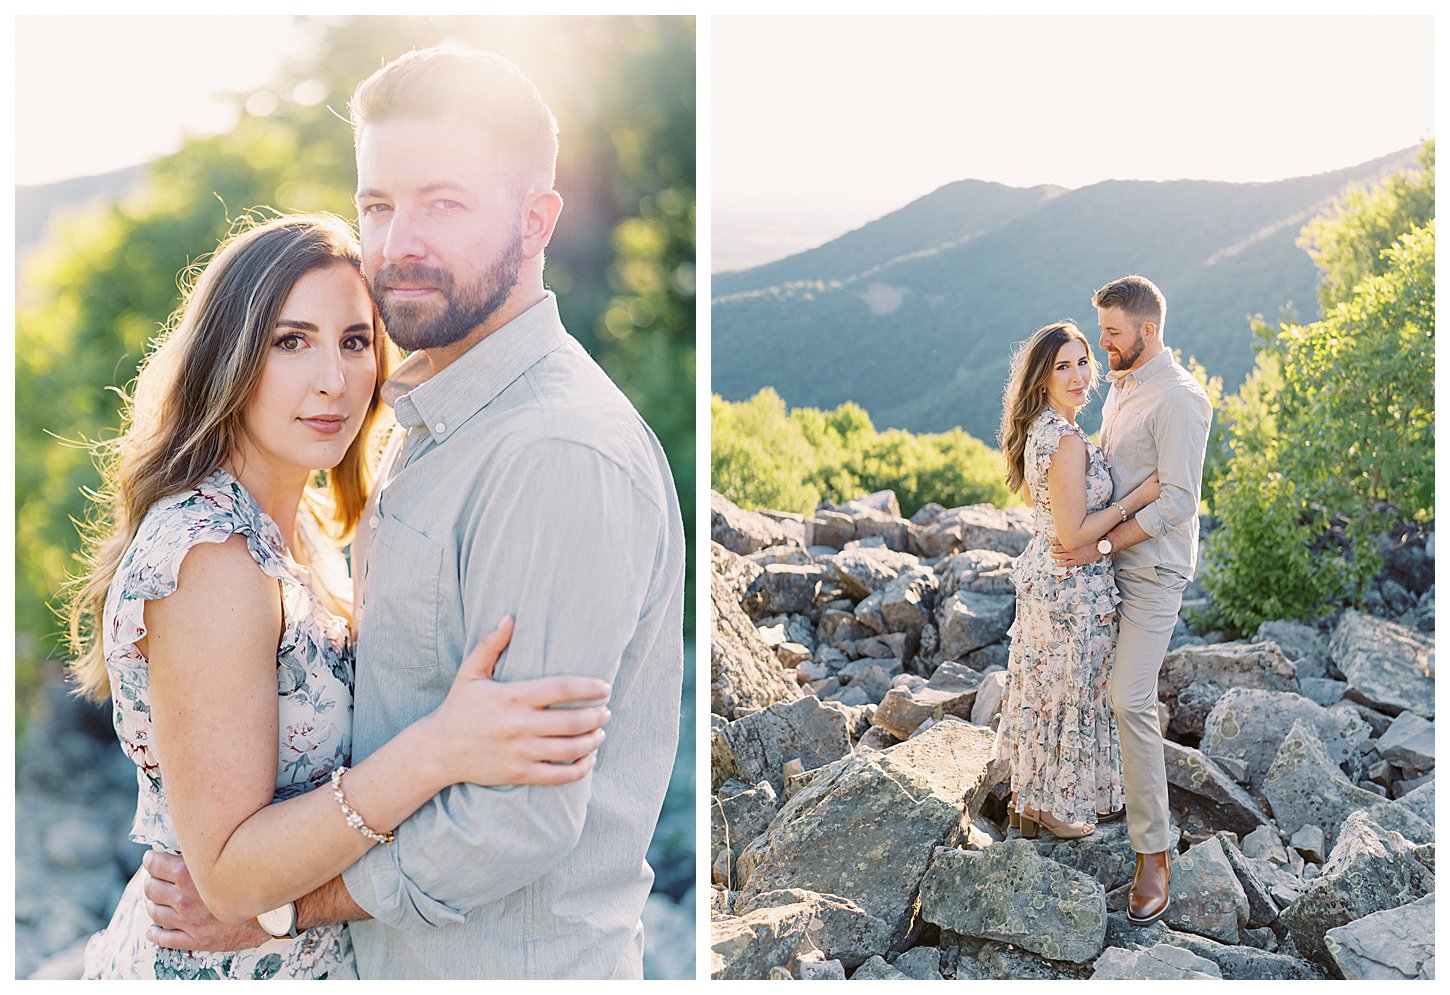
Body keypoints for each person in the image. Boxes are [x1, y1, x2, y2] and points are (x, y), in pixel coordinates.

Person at [142, 48, 686, 979]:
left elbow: (515, 817)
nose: (398, 244)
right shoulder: (424, 425)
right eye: (378, 205)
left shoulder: (551, 451)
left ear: (537, 220)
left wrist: (284, 909)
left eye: (446, 203)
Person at [66, 214, 613, 980]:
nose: (333, 378)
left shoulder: (307, 530)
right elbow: (225, 877)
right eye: (292, 341)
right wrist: (440, 746)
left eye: (355, 341)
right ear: (231, 354)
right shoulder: (212, 555)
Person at [1051, 275, 1213, 925]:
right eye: (1101, 330)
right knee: (1083, 678)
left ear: (1147, 331)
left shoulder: (1179, 399)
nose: (1101, 343)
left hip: (1150, 573)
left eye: (1112, 332)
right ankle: (1081, 798)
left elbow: (1178, 500)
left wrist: (1101, 543)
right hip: (1107, 565)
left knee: (1130, 696)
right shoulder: (1123, 383)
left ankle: (1155, 853)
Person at [994, 321, 1161, 841]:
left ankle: (1042, 801)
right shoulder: (1064, 440)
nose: (1078, 376)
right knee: (1070, 693)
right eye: (1062, 366)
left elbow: (1036, 504)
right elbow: (1074, 531)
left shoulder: (1041, 429)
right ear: (1042, 377)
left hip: (1048, 574)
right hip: (1072, 586)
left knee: (1047, 691)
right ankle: (1060, 807)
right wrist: (1136, 498)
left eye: (1083, 362)